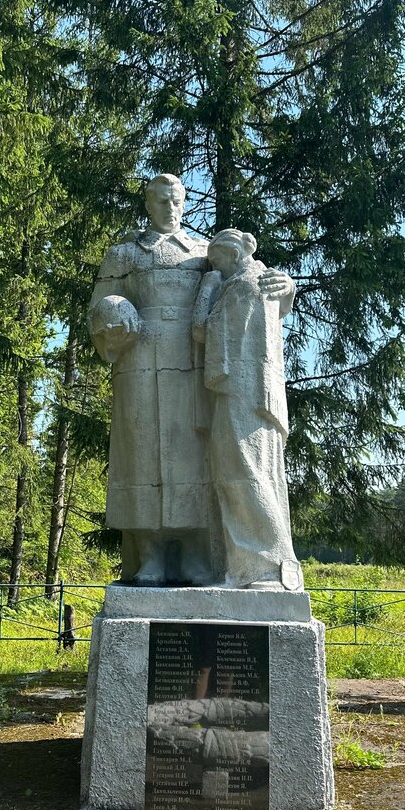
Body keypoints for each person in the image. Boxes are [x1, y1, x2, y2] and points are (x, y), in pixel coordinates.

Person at [88, 177, 294, 586]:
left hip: (197, 360)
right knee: (142, 452)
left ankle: (198, 554)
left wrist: (285, 287)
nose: (170, 208)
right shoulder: (124, 253)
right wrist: (115, 306)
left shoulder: (204, 251)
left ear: (185, 203)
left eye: (177, 201)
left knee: (195, 454)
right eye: (162, 200)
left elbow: (246, 282)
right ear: (148, 204)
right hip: (140, 359)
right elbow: (99, 305)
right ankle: (150, 556)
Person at [193, 228, 303, 591]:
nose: (216, 266)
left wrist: (207, 288)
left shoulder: (246, 284)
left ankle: (268, 566)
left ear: (235, 253)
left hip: (247, 391)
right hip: (242, 391)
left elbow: (201, 330)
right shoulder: (243, 283)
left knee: (245, 469)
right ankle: (248, 567)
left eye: (218, 260)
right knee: (237, 469)